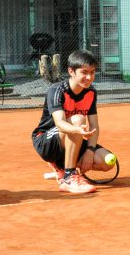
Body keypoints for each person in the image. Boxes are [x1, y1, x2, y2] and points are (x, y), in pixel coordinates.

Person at [32, 50, 117, 193]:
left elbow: (94, 125)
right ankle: (69, 176)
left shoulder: (91, 93)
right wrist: (76, 129)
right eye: (84, 72)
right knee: (78, 119)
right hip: (45, 140)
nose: (89, 77)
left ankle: (61, 167)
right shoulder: (57, 90)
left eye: (93, 72)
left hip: (74, 136)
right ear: (71, 71)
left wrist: (90, 151)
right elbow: (59, 122)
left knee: (106, 162)